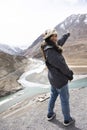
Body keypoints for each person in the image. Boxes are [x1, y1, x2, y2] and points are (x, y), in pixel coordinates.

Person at [41, 29, 75, 126]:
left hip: (53, 79)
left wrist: (66, 35)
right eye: (54, 36)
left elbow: (60, 42)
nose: (56, 38)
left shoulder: (49, 46)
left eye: (56, 36)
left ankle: (50, 114)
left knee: (53, 95)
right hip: (60, 80)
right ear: (49, 38)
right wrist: (70, 75)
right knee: (64, 99)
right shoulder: (51, 51)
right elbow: (62, 66)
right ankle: (67, 120)